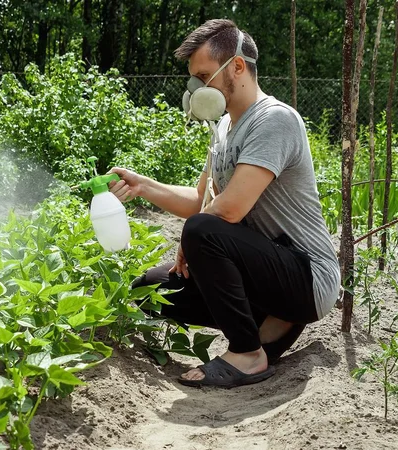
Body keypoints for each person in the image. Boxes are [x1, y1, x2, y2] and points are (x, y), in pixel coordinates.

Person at [107, 19, 340, 388]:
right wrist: (144, 186)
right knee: (150, 289)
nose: (197, 89)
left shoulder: (274, 120)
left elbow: (227, 211)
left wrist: (191, 237)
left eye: (203, 76)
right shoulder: (224, 129)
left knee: (201, 230)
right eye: (194, 80)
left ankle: (248, 353)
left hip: (306, 276)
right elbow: (202, 201)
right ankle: (271, 321)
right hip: (263, 268)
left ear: (236, 66)